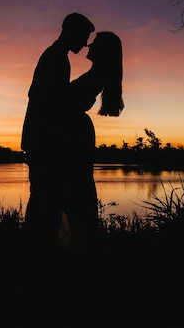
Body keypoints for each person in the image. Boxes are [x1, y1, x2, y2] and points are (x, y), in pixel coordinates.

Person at [21, 12, 95, 249]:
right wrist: (76, 103)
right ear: (71, 31)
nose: (85, 44)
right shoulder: (56, 58)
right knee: (45, 199)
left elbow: (51, 99)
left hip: (42, 140)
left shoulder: (56, 56)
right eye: (83, 37)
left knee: (46, 199)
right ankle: (38, 251)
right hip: (44, 141)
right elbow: (48, 101)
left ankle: (40, 248)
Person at [63, 31, 124, 252]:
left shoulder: (98, 74)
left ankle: (80, 242)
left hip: (76, 134)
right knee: (76, 186)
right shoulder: (98, 74)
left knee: (75, 186)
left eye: (95, 44)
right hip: (76, 131)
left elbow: (68, 102)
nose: (88, 46)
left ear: (104, 51)